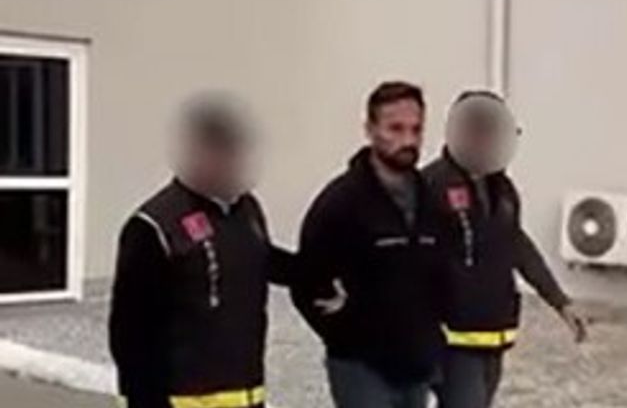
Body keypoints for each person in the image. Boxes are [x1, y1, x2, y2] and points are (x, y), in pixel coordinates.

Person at [109, 95, 300, 408]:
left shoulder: (245, 210)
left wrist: (322, 270)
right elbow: (130, 334)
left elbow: (260, 258)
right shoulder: (154, 226)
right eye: (226, 156)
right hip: (182, 399)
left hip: (245, 392)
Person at [423, 90, 587, 408]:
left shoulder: (502, 189)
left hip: (493, 334)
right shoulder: (432, 186)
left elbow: (516, 245)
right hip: (451, 340)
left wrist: (560, 302)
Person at [291, 81, 447, 408]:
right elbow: (305, 279)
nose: (408, 140)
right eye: (395, 129)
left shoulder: (431, 200)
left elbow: (440, 271)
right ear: (370, 130)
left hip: (416, 367)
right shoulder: (341, 203)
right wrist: (344, 334)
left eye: (416, 129)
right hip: (360, 368)